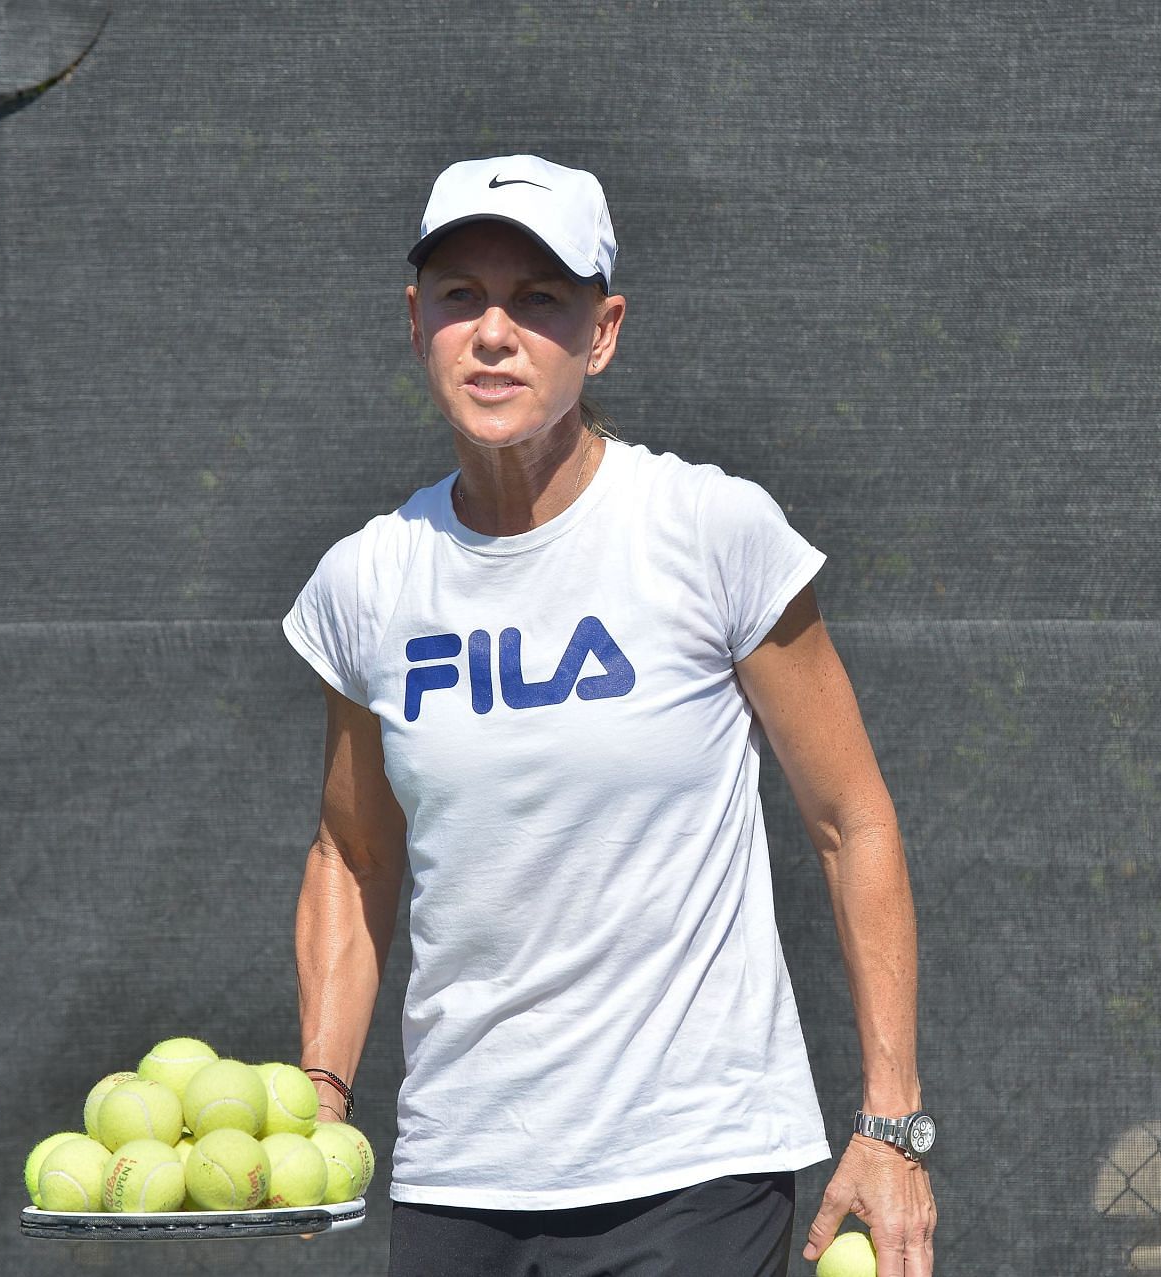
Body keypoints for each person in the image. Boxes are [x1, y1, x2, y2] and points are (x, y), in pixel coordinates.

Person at [282, 154, 938, 1276]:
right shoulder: (368, 581)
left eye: (539, 300)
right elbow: (352, 851)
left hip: (692, 1172)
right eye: (460, 297)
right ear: (415, 322)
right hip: (458, 1178)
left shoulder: (709, 530)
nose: (494, 333)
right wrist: (320, 1098)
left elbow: (850, 817)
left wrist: (891, 1124)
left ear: (604, 330)